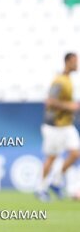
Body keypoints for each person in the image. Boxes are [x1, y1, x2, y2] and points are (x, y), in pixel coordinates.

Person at [36, 52, 80, 202]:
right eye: (75, 61)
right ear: (67, 62)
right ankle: (41, 188)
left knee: (75, 153)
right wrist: (69, 106)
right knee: (52, 157)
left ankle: (55, 181)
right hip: (54, 126)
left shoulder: (68, 80)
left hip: (67, 125)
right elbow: (49, 101)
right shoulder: (60, 81)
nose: (77, 64)